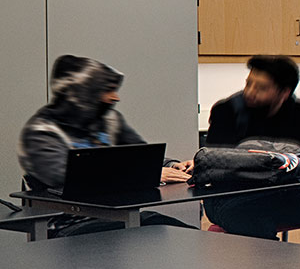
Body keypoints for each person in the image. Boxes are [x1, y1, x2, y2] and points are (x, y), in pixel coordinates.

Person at [18, 55, 192, 234]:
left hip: (116, 216)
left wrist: (171, 166)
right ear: (84, 92)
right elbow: (75, 180)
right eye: (107, 90)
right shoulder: (40, 133)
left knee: (185, 236)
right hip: (66, 225)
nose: (114, 98)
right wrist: (146, 174)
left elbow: (140, 155)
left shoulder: (110, 120)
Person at [204, 55, 300, 249]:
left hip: (284, 193)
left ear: (283, 93)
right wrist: (295, 161)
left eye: (261, 88)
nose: (250, 92)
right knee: (262, 236)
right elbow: (214, 163)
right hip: (230, 196)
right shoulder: (226, 111)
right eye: (248, 84)